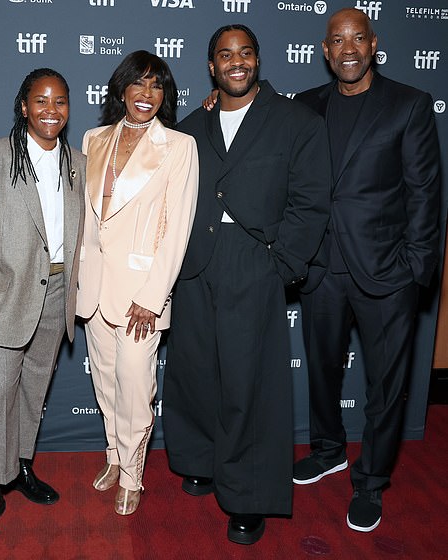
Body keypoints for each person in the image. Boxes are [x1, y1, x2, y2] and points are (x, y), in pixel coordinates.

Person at [163, 24, 330, 545]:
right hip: (196, 262)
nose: (236, 62)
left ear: (258, 60)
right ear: (211, 67)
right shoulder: (191, 125)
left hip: (254, 260)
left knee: (250, 383)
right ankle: (202, 460)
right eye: (225, 55)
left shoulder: (296, 122)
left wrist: (281, 265)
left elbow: (311, 201)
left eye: (246, 53)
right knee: (195, 371)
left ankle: (249, 494)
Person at [291, 8, 440, 533]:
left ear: (373, 44)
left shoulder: (409, 104)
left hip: (386, 274)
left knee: (384, 384)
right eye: (337, 40)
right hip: (322, 269)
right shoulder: (306, 106)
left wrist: (415, 268)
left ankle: (372, 479)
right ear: (326, 50)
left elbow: (425, 193)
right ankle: (329, 450)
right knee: (323, 369)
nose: (348, 48)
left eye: (358, 38)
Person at [0, 68, 86, 544]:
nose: (52, 110)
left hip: (56, 295)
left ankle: (22, 466)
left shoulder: (78, 163)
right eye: (41, 101)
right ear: (23, 106)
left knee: (32, 392)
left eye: (60, 101)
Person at [77, 50, 198, 516]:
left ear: (164, 95)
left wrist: (153, 296)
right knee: (106, 384)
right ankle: (113, 456)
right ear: (121, 89)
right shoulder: (93, 138)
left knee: (134, 383)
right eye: (138, 84)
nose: (146, 94)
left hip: (140, 294)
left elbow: (178, 226)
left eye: (157, 86)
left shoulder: (179, 147)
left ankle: (133, 473)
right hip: (94, 286)